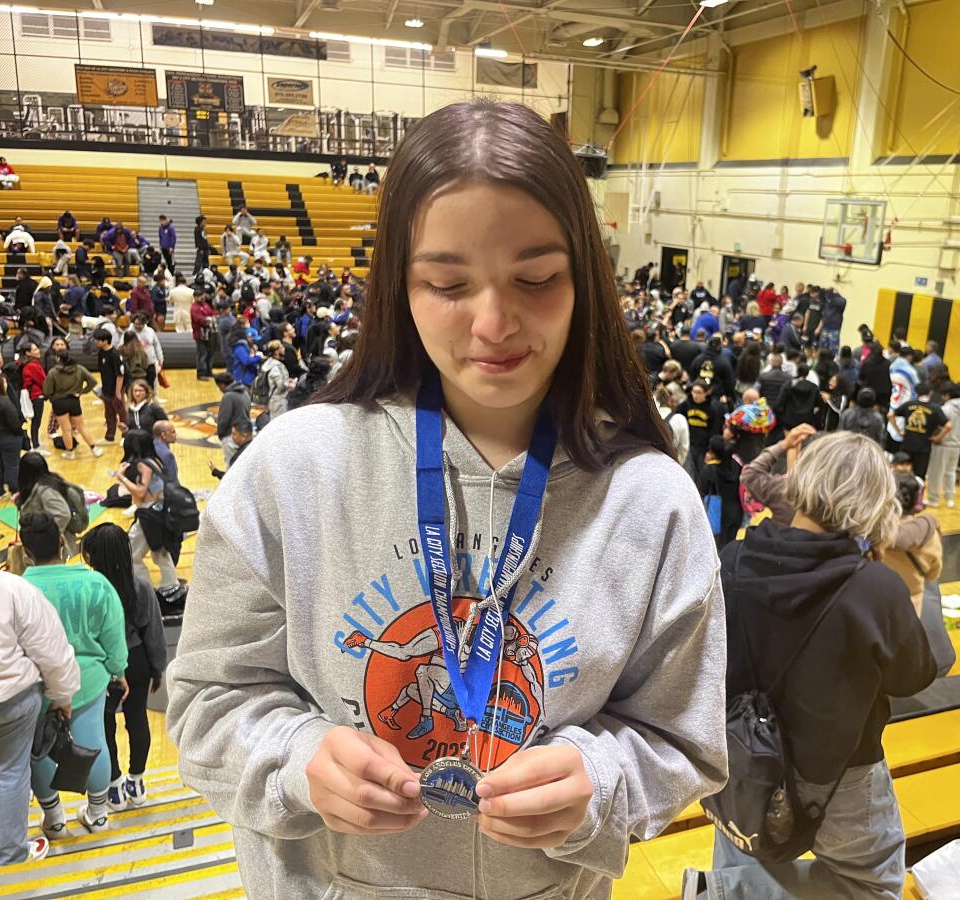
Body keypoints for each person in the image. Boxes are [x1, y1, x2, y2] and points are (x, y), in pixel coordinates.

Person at [165, 101, 727, 899]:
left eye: (536, 279)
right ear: (400, 283)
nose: (493, 323)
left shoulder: (651, 503)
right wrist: (297, 759)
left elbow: (684, 741)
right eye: (447, 284)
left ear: (585, 280)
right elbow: (205, 706)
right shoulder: (294, 469)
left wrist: (598, 781)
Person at [696, 430, 935, 899]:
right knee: (871, 884)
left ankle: (725, 893)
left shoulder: (733, 558)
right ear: (874, 503)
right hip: (842, 773)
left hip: (742, 756)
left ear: (800, 481)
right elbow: (916, 675)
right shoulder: (875, 589)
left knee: (740, 866)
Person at [0, 514, 80, 869]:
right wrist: (62, 698)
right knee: (9, 773)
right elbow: (51, 651)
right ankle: (12, 856)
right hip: (12, 703)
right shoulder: (12, 588)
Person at [20, 512, 128, 838]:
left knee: (37, 751)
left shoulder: (20, 589)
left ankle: (54, 821)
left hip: (37, 687)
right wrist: (117, 670)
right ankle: (97, 815)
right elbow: (113, 635)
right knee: (94, 741)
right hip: (88, 680)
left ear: (26, 552)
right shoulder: (96, 582)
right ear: (62, 542)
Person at [80, 523, 166, 812]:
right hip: (137, 660)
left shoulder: (88, 592)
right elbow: (154, 631)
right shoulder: (140, 586)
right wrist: (157, 668)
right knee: (137, 720)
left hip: (101, 666)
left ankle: (113, 787)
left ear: (93, 557)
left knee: (104, 726)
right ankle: (138, 783)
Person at [116, 431, 180, 600]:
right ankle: (171, 587)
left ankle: (145, 591)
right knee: (160, 552)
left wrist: (121, 478)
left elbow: (141, 491)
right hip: (162, 510)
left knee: (132, 555)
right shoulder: (155, 460)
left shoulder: (143, 466)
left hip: (150, 514)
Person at [883, 471, 943, 617]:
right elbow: (934, 571)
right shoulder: (929, 532)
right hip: (912, 602)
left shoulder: (874, 530)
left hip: (877, 600)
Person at [16, 452, 83, 556]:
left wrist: (47, 537)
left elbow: (63, 514)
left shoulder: (45, 491)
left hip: (53, 549)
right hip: (45, 547)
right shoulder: (43, 482)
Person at [43, 350, 104, 461]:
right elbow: (93, 381)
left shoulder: (53, 372)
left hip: (59, 402)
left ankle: (70, 453)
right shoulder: (79, 368)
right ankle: (94, 449)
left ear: (57, 359)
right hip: (74, 401)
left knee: (66, 430)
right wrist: (82, 391)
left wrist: (53, 396)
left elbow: (47, 390)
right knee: (81, 427)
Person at [926, 383, 960, 508]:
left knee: (936, 473)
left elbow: (940, 425)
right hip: (957, 445)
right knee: (950, 472)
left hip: (943, 444)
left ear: (947, 395)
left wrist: (936, 437)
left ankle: (933, 499)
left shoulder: (946, 409)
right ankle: (950, 498)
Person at [894, 383, 949, 480]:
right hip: (923, 448)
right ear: (930, 393)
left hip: (907, 444)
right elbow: (948, 425)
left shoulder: (909, 404)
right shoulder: (934, 408)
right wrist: (938, 438)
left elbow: (890, 415)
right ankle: (918, 495)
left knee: (901, 474)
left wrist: (898, 431)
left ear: (916, 393)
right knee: (919, 477)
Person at [214, 372, 251, 465]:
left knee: (231, 467)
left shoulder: (228, 396)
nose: (220, 389)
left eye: (219, 387)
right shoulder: (245, 392)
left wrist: (221, 435)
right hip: (245, 435)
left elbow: (223, 420)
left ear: (222, 384)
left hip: (231, 436)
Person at [775, 363, 824, 430]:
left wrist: (781, 417)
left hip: (789, 420)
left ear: (797, 372)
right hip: (806, 421)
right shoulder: (814, 388)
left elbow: (779, 403)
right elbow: (819, 405)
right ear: (807, 373)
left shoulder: (788, 385)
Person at [20, 341, 48, 455]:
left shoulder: (28, 364)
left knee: (35, 422)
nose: (38, 351)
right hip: (37, 396)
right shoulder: (33, 366)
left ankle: (36, 444)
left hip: (34, 396)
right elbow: (43, 381)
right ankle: (36, 446)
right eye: (35, 349)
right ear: (28, 353)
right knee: (36, 422)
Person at [255, 339, 291, 421]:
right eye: (281, 347)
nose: (284, 349)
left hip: (271, 399)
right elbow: (281, 386)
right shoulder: (276, 367)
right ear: (276, 351)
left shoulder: (268, 363)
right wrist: (290, 384)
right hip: (278, 400)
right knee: (279, 423)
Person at [191, 289, 217, 380]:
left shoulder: (206, 305)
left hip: (209, 333)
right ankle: (201, 373)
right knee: (202, 354)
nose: (202, 297)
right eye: (199, 296)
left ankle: (208, 371)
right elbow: (199, 319)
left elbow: (213, 313)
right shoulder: (194, 307)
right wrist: (209, 319)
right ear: (195, 297)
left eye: (203, 295)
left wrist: (211, 318)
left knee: (210, 353)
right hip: (200, 334)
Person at [152, 421, 180, 485]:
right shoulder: (167, 455)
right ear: (163, 435)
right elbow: (173, 480)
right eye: (173, 432)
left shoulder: (150, 446)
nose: (176, 434)